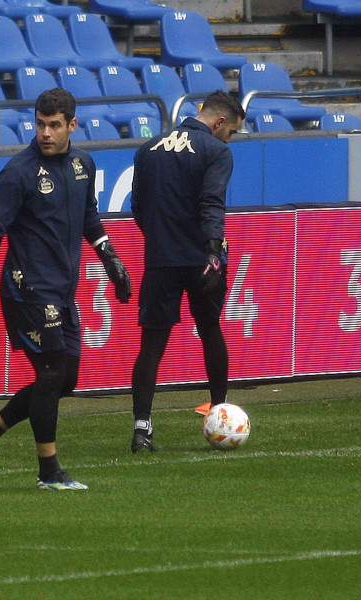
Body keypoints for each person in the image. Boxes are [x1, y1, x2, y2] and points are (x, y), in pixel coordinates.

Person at [0, 88, 132, 490]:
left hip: (63, 291)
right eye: (40, 124)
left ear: (71, 125)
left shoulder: (84, 164)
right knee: (50, 373)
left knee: (67, 379)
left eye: (54, 125)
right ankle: (49, 472)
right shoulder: (19, 172)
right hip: (26, 289)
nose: (45, 133)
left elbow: (88, 217)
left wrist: (110, 258)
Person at [128, 90, 245, 453]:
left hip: (161, 259)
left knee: (151, 344)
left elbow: (138, 207)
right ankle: (221, 411)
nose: (230, 139)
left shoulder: (148, 149)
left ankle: (142, 428)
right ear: (219, 122)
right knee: (210, 329)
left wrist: (160, 240)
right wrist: (212, 251)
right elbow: (212, 202)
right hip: (201, 260)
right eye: (231, 132)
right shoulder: (216, 151)